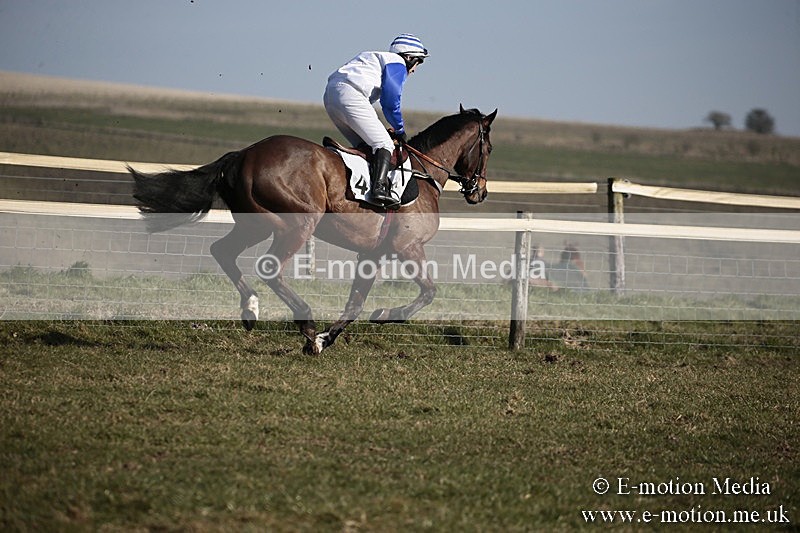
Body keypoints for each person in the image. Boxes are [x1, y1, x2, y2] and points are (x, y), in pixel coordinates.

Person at [324, 34, 428, 207]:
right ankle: (379, 189)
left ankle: (359, 188)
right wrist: (400, 129)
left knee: (366, 147)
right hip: (350, 95)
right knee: (384, 144)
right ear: (409, 57)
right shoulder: (398, 63)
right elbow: (390, 101)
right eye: (418, 62)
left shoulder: (376, 58)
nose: (415, 69)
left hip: (331, 95)